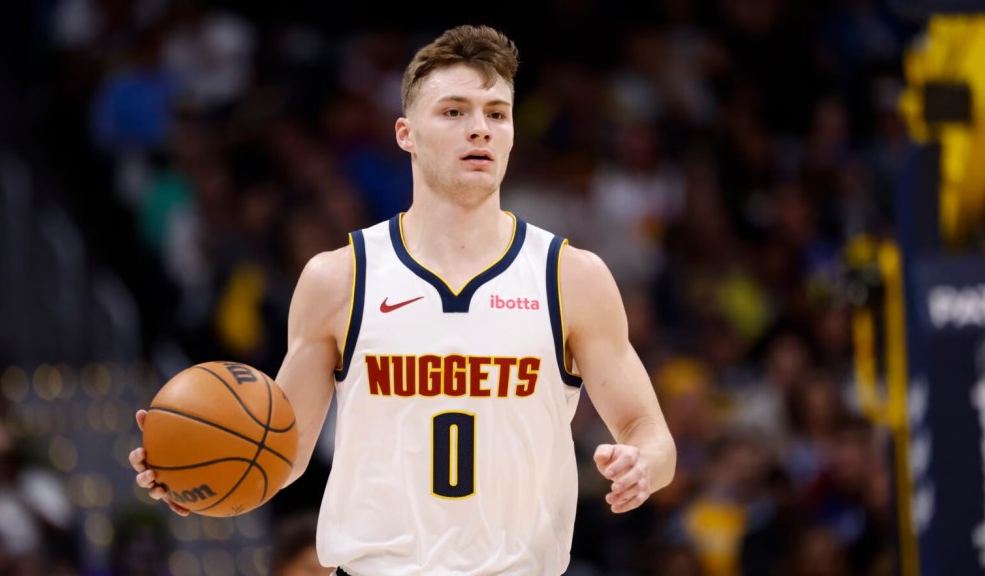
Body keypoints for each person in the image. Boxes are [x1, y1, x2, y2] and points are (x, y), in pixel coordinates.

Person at [130, 24, 676, 575]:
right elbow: (279, 452)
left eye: (496, 113)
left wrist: (643, 463)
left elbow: (650, 433)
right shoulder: (338, 279)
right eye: (454, 111)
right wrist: (191, 465)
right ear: (405, 133)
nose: (480, 128)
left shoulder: (571, 278)